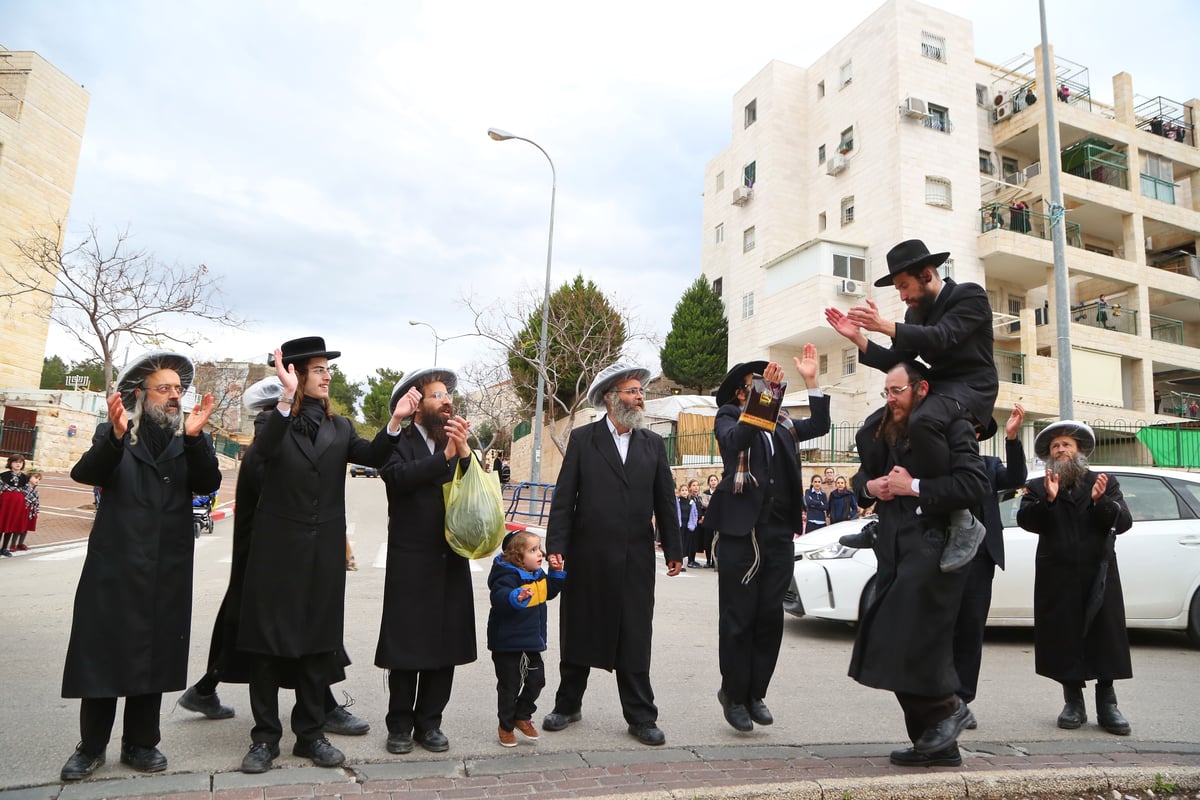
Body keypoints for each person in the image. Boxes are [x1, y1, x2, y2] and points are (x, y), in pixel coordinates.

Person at [236, 338, 416, 774]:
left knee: (317, 648)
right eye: (318, 369)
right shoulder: (271, 422)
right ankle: (264, 739)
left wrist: (394, 421)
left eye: (327, 369)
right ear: (296, 374)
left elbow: (372, 457)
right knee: (266, 647)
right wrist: (283, 398)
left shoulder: (341, 427)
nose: (327, 375)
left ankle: (311, 735)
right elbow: (264, 454)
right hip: (275, 554)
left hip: (323, 555)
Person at [176, 376, 372, 743]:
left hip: (283, 548)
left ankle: (207, 687)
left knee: (268, 626)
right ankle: (319, 707)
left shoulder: (294, 432)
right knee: (271, 629)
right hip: (266, 551)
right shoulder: (272, 436)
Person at [59, 351, 221, 781]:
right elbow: (85, 473)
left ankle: (142, 743)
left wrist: (193, 439)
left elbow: (208, 484)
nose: (174, 396)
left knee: (154, 653)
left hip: (166, 565)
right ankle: (91, 747)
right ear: (141, 395)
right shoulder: (113, 433)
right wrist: (113, 436)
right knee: (103, 654)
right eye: (164, 388)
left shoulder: (189, 437)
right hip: (115, 563)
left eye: (177, 389)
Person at [847, 361, 989, 768]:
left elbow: (974, 485)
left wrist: (914, 487)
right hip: (893, 549)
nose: (890, 400)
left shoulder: (952, 425)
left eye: (897, 391)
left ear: (921, 388)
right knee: (892, 644)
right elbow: (863, 480)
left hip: (934, 549)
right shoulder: (885, 429)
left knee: (905, 640)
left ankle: (950, 710)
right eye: (886, 392)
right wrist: (871, 487)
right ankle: (936, 743)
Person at [826, 238, 997, 572]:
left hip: (972, 388)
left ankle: (962, 519)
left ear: (928, 274)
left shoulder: (970, 296)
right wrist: (859, 338)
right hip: (936, 390)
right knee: (873, 427)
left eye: (904, 286)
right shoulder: (913, 313)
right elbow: (898, 360)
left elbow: (942, 337)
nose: (902, 295)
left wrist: (886, 326)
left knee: (922, 421)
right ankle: (883, 513)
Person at [542, 362, 682, 746]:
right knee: (579, 630)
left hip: (635, 559)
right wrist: (557, 546)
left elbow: (665, 501)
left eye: (641, 392)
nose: (640, 398)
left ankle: (641, 716)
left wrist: (674, 547)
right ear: (610, 398)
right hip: (587, 556)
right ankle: (567, 704)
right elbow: (564, 497)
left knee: (635, 634)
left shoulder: (652, 444)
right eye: (633, 391)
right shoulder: (584, 439)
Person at [705, 345, 831, 732]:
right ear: (742, 392)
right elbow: (737, 440)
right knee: (738, 618)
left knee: (768, 618)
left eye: (771, 381)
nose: (768, 385)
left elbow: (821, 425)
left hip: (778, 530)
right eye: (758, 382)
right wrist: (768, 396)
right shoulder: (728, 416)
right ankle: (733, 693)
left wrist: (811, 380)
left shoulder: (784, 422)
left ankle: (755, 692)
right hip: (742, 532)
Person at [375, 367, 476, 756]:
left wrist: (464, 454)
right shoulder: (399, 442)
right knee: (407, 646)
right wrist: (445, 457)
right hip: (410, 559)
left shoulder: (459, 440)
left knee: (445, 645)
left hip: (451, 558)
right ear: (418, 406)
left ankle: (430, 723)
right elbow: (397, 478)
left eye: (448, 394)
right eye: (437, 395)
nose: (447, 400)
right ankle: (399, 725)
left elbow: (477, 488)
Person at [1016, 421, 1134, 736]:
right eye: (1055, 447)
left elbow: (1123, 522)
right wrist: (1049, 501)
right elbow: (1025, 520)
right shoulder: (1040, 486)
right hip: (1058, 573)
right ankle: (1073, 702)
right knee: (1063, 635)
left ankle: (1108, 704)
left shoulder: (1103, 482)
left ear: (1079, 450)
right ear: (1049, 456)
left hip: (1099, 571)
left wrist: (1101, 503)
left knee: (1104, 634)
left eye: (1066, 445)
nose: (1061, 450)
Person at [953, 405, 1027, 729]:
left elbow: (1017, 478)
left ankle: (962, 701)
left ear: (979, 435)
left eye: (973, 429)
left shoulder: (989, 465)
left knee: (970, 631)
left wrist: (1012, 438)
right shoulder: (943, 464)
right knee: (943, 631)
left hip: (980, 560)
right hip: (944, 560)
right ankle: (940, 698)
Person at [487, 530, 566, 748]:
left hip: (531, 641)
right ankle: (505, 726)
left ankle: (522, 715)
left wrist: (556, 573)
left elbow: (548, 592)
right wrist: (516, 596)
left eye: (539, 548)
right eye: (532, 550)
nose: (540, 554)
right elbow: (499, 597)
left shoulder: (538, 573)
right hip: (508, 643)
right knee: (509, 686)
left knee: (537, 680)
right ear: (516, 556)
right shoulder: (506, 575)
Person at [0, 454, 30, 556]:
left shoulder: (25, 478)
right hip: (4, 503)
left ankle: (4, 548)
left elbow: (27, 492)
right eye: (15, 462)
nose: (18, 464)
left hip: (18, 505)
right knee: (1, 524)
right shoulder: (3, 476)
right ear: (10, 463)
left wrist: (26, 506)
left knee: (10, 526)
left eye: (20, 462)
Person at [697, 474, 719, 567]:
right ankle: (708, 560)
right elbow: (702, 507)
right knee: (707, 540)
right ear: (709, 483)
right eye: (711, 480)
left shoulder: (720, 492)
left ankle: (715, 561)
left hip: (718, 520)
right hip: (707, 519)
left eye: (715, 480)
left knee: (716, 540)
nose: (713, 482)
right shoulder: (705, 493)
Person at [679, 481, 701, 569]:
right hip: (680, 526)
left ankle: (684, 564)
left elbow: (695, 514)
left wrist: (693, 523)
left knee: (686, 545)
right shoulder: (677, 502)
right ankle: (678, 562)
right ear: (679, 492)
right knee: (679, 544)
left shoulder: (691, 502)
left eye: (685, 490)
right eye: (682, 490)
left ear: (688, 492)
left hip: (688, 526)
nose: (684, 492)